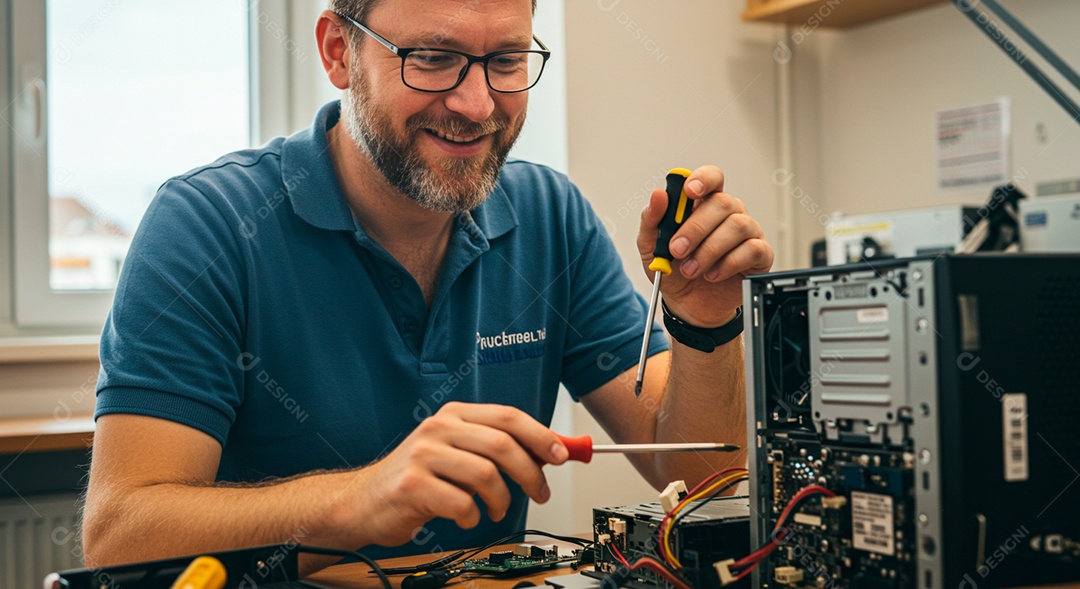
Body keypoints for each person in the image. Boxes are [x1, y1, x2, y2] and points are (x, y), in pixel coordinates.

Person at [82, 0, 773, 575]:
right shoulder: (208, 225)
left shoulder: (550, 216)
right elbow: (119, 534)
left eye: (506, 60)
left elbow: (701, 477)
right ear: (339, 52)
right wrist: (358, 501)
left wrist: (704, 323)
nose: (477, 105)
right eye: (435, 58)